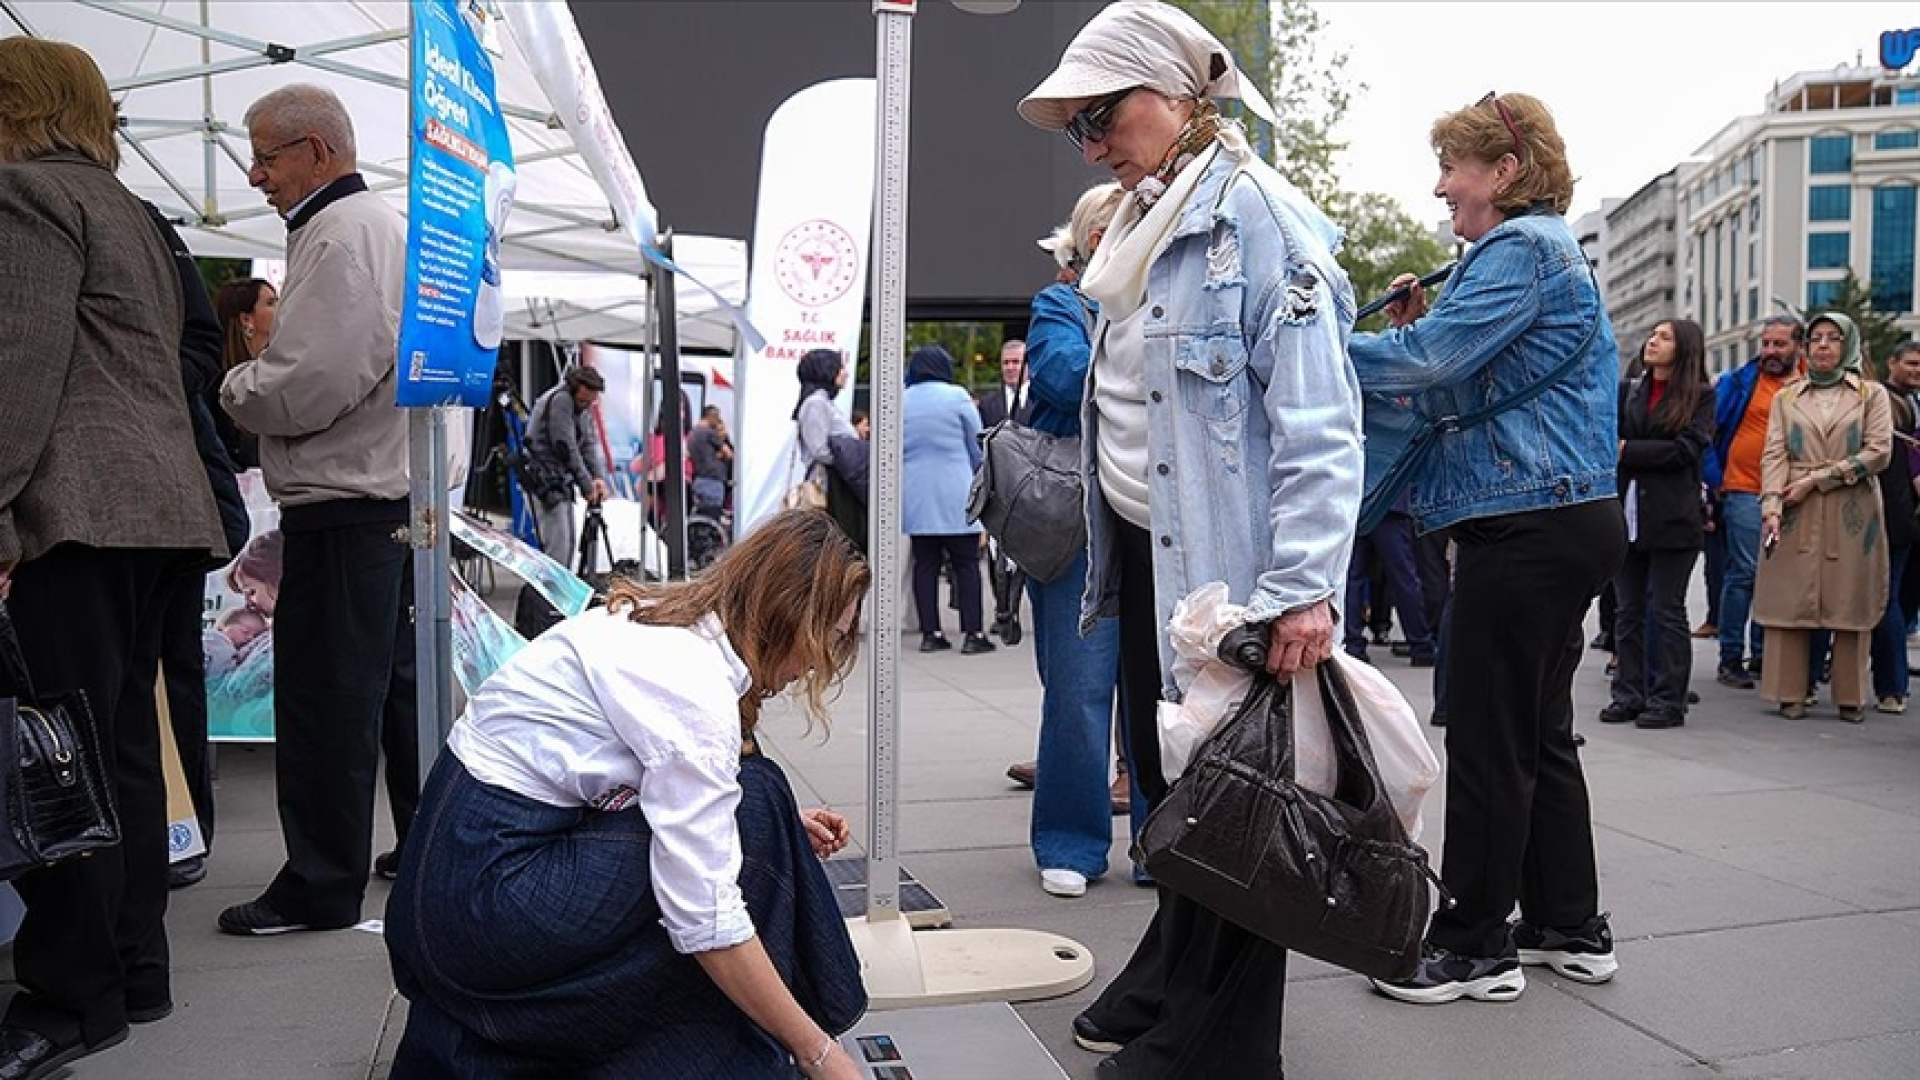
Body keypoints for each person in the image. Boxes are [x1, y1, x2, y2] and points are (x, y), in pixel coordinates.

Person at [1019, 4, 1362, 1073]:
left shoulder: (1256, 216)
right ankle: (1172, 976)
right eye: (1080, 126)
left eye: (1103, 114)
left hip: (1226, 575)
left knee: (1238, 813)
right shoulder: (1140, 218)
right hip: (1147, 555)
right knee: (1178, 796)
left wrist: (1302, 589)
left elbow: (1317, 417)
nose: (1092, 141)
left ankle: (1216, 1050)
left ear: (1176, 97)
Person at [385, 509, 868, 1078]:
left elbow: (608, 774)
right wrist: (820, 1054)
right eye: (828, 639)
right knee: (750, 818)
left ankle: (779, 1031)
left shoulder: (659, 627)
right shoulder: (691, 682)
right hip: (482, 903)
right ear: (788, 615)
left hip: (451, 881)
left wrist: (772, 824)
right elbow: (706, 922)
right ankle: (767, 1046)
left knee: (758, 804)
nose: (820, 662)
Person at [1348, 91, 1626, 1004]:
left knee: (1484, 732)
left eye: (1453, 169)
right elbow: (1456, 364)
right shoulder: (1541, 253)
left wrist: (1317, 344)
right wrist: (1423, 327)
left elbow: (1430, 367)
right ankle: (1565, 926)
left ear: (1505, 172)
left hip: (1528, 524)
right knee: (1538, 733)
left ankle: (1472, 948)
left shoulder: (1520, 248)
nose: (1440, 189)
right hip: (1562, 517)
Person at [0, 37, 225, 1076]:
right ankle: (134, 973)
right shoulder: (128, 208)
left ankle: (73, 996)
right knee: (122, 747)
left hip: (81, 513)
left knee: (60, 753)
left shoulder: (28, 196)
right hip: (159, 511)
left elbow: (17, 376)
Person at [218, 83, 421, 935]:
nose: (256, 174)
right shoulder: (367, 227)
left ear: (318, 150)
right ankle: (413, 851)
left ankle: (320, 882)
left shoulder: (342, 234)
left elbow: (310, 384)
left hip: (347, 500)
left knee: (327, 701)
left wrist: (237, 388)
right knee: (388, 695)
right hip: (380, 496)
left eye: (267, 155)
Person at [1004, 182, 1131, 899]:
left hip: (1150, 516)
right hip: (1078, 520)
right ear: (1085, 244)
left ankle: (1157, 839)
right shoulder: (1062, 304)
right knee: (1080, 687)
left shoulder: (1159, 300)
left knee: (1154, 687)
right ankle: (1072, 843)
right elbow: (1057, 373)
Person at [144, 203, 254, 893]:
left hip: (159, 502)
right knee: (158, 676)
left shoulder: (146, 225)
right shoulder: (149, 225)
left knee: (162, 675)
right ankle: (176, 834)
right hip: (169, 499)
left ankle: (181, 832)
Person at [1754, 312, 1891, 723]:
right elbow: (1775, 453)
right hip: (1794, 504)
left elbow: (1879, 451)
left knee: (1851, 597)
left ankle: (1850, 697)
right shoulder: (1788, 397)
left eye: (1834, 338)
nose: (1824, 345)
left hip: (1852, 504)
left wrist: (1818, 479)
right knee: (1788, 597)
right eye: (1816, 338)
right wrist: (1772, 506)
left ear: (1849, 344)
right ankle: (1788, 693)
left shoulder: (1871, 394)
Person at [1601, 319, 1714, 731]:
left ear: (1683, 349)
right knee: (1627, 610)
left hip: (1674, 518)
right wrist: (1624, 450)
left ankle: (1668, 698)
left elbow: (1685, 450)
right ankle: (1628, 693)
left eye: (1665, 337)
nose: (1653, 341)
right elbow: (1605, 439)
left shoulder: (1701, 397)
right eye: (1653, 335)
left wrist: (1628, 450)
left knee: (1666, 609)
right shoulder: (1629, 390)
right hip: (1625, 514)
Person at [1706, 316, 1805, 689]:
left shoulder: (1808, 384)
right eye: (1766, 343)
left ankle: (1765, 654)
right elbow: (1707, 431)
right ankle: (1731, 657)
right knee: (1746, 573)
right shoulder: (1740, 381)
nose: (1770, 352)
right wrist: (1718, 480)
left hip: (1794, 492)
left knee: (1777, 575)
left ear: (1798, 347)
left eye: (1780, 344)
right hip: (1744, 489)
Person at [902, 345, 992, 655]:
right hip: (956, 491)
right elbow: (976, 443)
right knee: (966, 564)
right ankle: (973, 633)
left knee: (925, 565)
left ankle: (931, 632)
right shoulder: (957, 396)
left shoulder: (902, 399)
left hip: (916, 494)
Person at [1872, 341, 1920, 713]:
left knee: (1901, 600)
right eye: (1911, 364)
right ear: (1892, 363)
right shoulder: (1886, 401)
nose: (1916, 370)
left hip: (1906, 519)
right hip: (1892, 513)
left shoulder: (1913, 403)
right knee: (1887, 599)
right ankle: (1891, 686)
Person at [978, 340, 1033, 645]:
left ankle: (1019, 606)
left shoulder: (1039, 400)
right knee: (996, 554)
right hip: (999, 488)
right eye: (1006, 363)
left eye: (1016, 362)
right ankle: (1003, 610)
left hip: (1032, 490)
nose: (1011, 368)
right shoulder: (989, 404)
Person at [525, 365, 611, 562]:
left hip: (559, 480)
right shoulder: (561, 401)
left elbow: (588, 442)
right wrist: (587, 485)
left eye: (591, 401)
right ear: (573, 390)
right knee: (559, 546)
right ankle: (551, 592)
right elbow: (566, 448)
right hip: (545, 480)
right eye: (583, 400)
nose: (586, 404)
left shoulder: (581, 406)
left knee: (568, 544)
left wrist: (597, 476)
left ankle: (560, 589)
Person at [793, 348, 866, 554]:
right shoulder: (816, 404)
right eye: (840, 367)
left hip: (835, 478)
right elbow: (819, 448)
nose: (846, 373)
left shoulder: (823, 402)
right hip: (827, 482)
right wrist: (848, 456)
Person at [212, 277, 279, 471]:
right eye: (271, 302)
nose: (280, 307)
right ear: (246, 319)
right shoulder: (217, 379)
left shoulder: (274, 368)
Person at [690, 403, 735, 515]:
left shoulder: (692, 434)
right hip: (713, 481)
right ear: (712, 416)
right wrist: (721, 454)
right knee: (712, 516)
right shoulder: (708, 433)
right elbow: (729, 453)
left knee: (702, 516)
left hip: (699, 479)